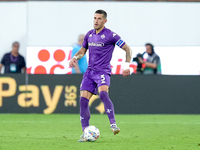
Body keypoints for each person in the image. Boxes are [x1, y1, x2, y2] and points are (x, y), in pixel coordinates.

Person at [69, 9, 132, 142]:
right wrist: (75, 58)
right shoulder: (89, 34)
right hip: (89, 72)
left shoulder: (111, 35)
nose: (96, 21)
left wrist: (126, 66)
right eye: (94, 18)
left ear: (105, 21)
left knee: (103, 94)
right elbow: (82, 50)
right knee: (82, 100)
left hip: (103, 71)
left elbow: (128, 49)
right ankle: (85, 132)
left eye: (99, 19)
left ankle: (113, 124)